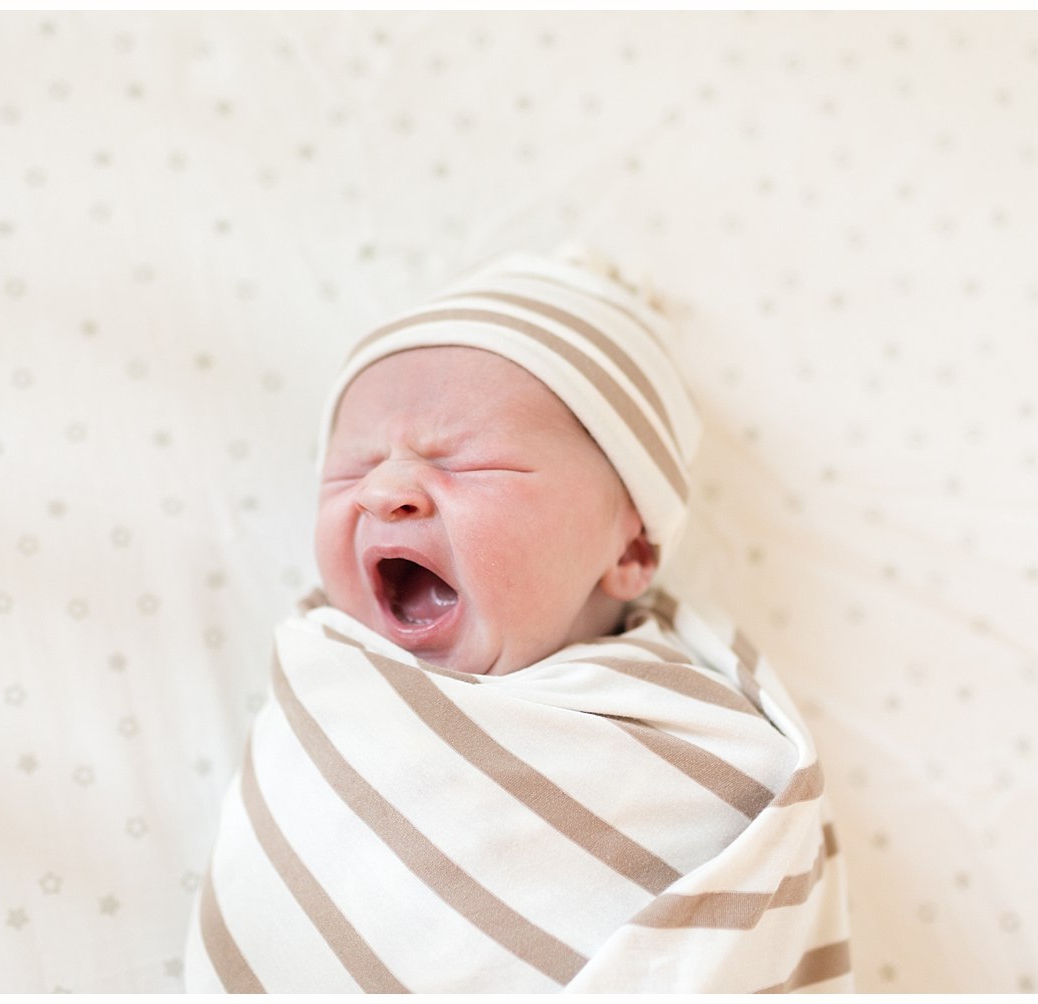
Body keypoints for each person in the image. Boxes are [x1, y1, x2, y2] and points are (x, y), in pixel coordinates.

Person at [184, 245, 853, 993]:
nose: (385, 489)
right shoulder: (326, 680)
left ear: (629, 547)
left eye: (472, 462)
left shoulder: (703, 747)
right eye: (352, 466)